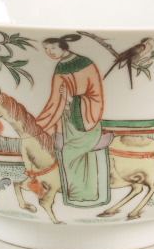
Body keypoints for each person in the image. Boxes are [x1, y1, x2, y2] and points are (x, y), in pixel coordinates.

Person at [36, 34, 112, 203]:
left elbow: (96, 95)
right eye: (46, 49)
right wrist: (41, 123)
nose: (50, 52)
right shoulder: (59, 67)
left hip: (86, 120)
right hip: (67, 121)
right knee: (68, 154)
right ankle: (78, 194)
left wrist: (72, 99)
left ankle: (84, 193)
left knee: (71, 154)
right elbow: (55, 100)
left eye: (53, 48)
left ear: (63, 47)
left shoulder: (86, 63)